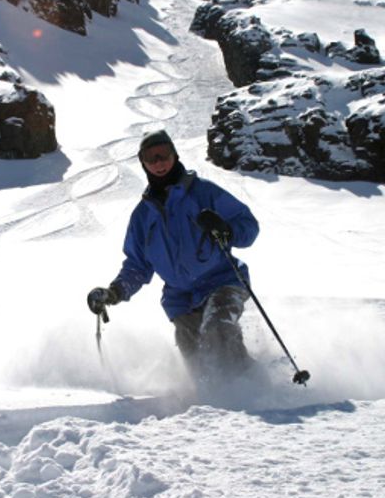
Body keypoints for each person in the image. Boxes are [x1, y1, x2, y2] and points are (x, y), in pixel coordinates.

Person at [87, 130, 260, 378]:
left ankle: (252, 388)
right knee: (197, 361)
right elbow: (138, 265)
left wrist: (227, 230)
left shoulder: (204, 193)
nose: (158, 162)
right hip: (181, 300)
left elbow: (249, 226)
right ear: (143, 163)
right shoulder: (142, 216)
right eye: (150, 157)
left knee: (218, 329)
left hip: (224, 282)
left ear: (174, 154)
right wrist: (114, 292)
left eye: (163, 154)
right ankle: (217, 402)